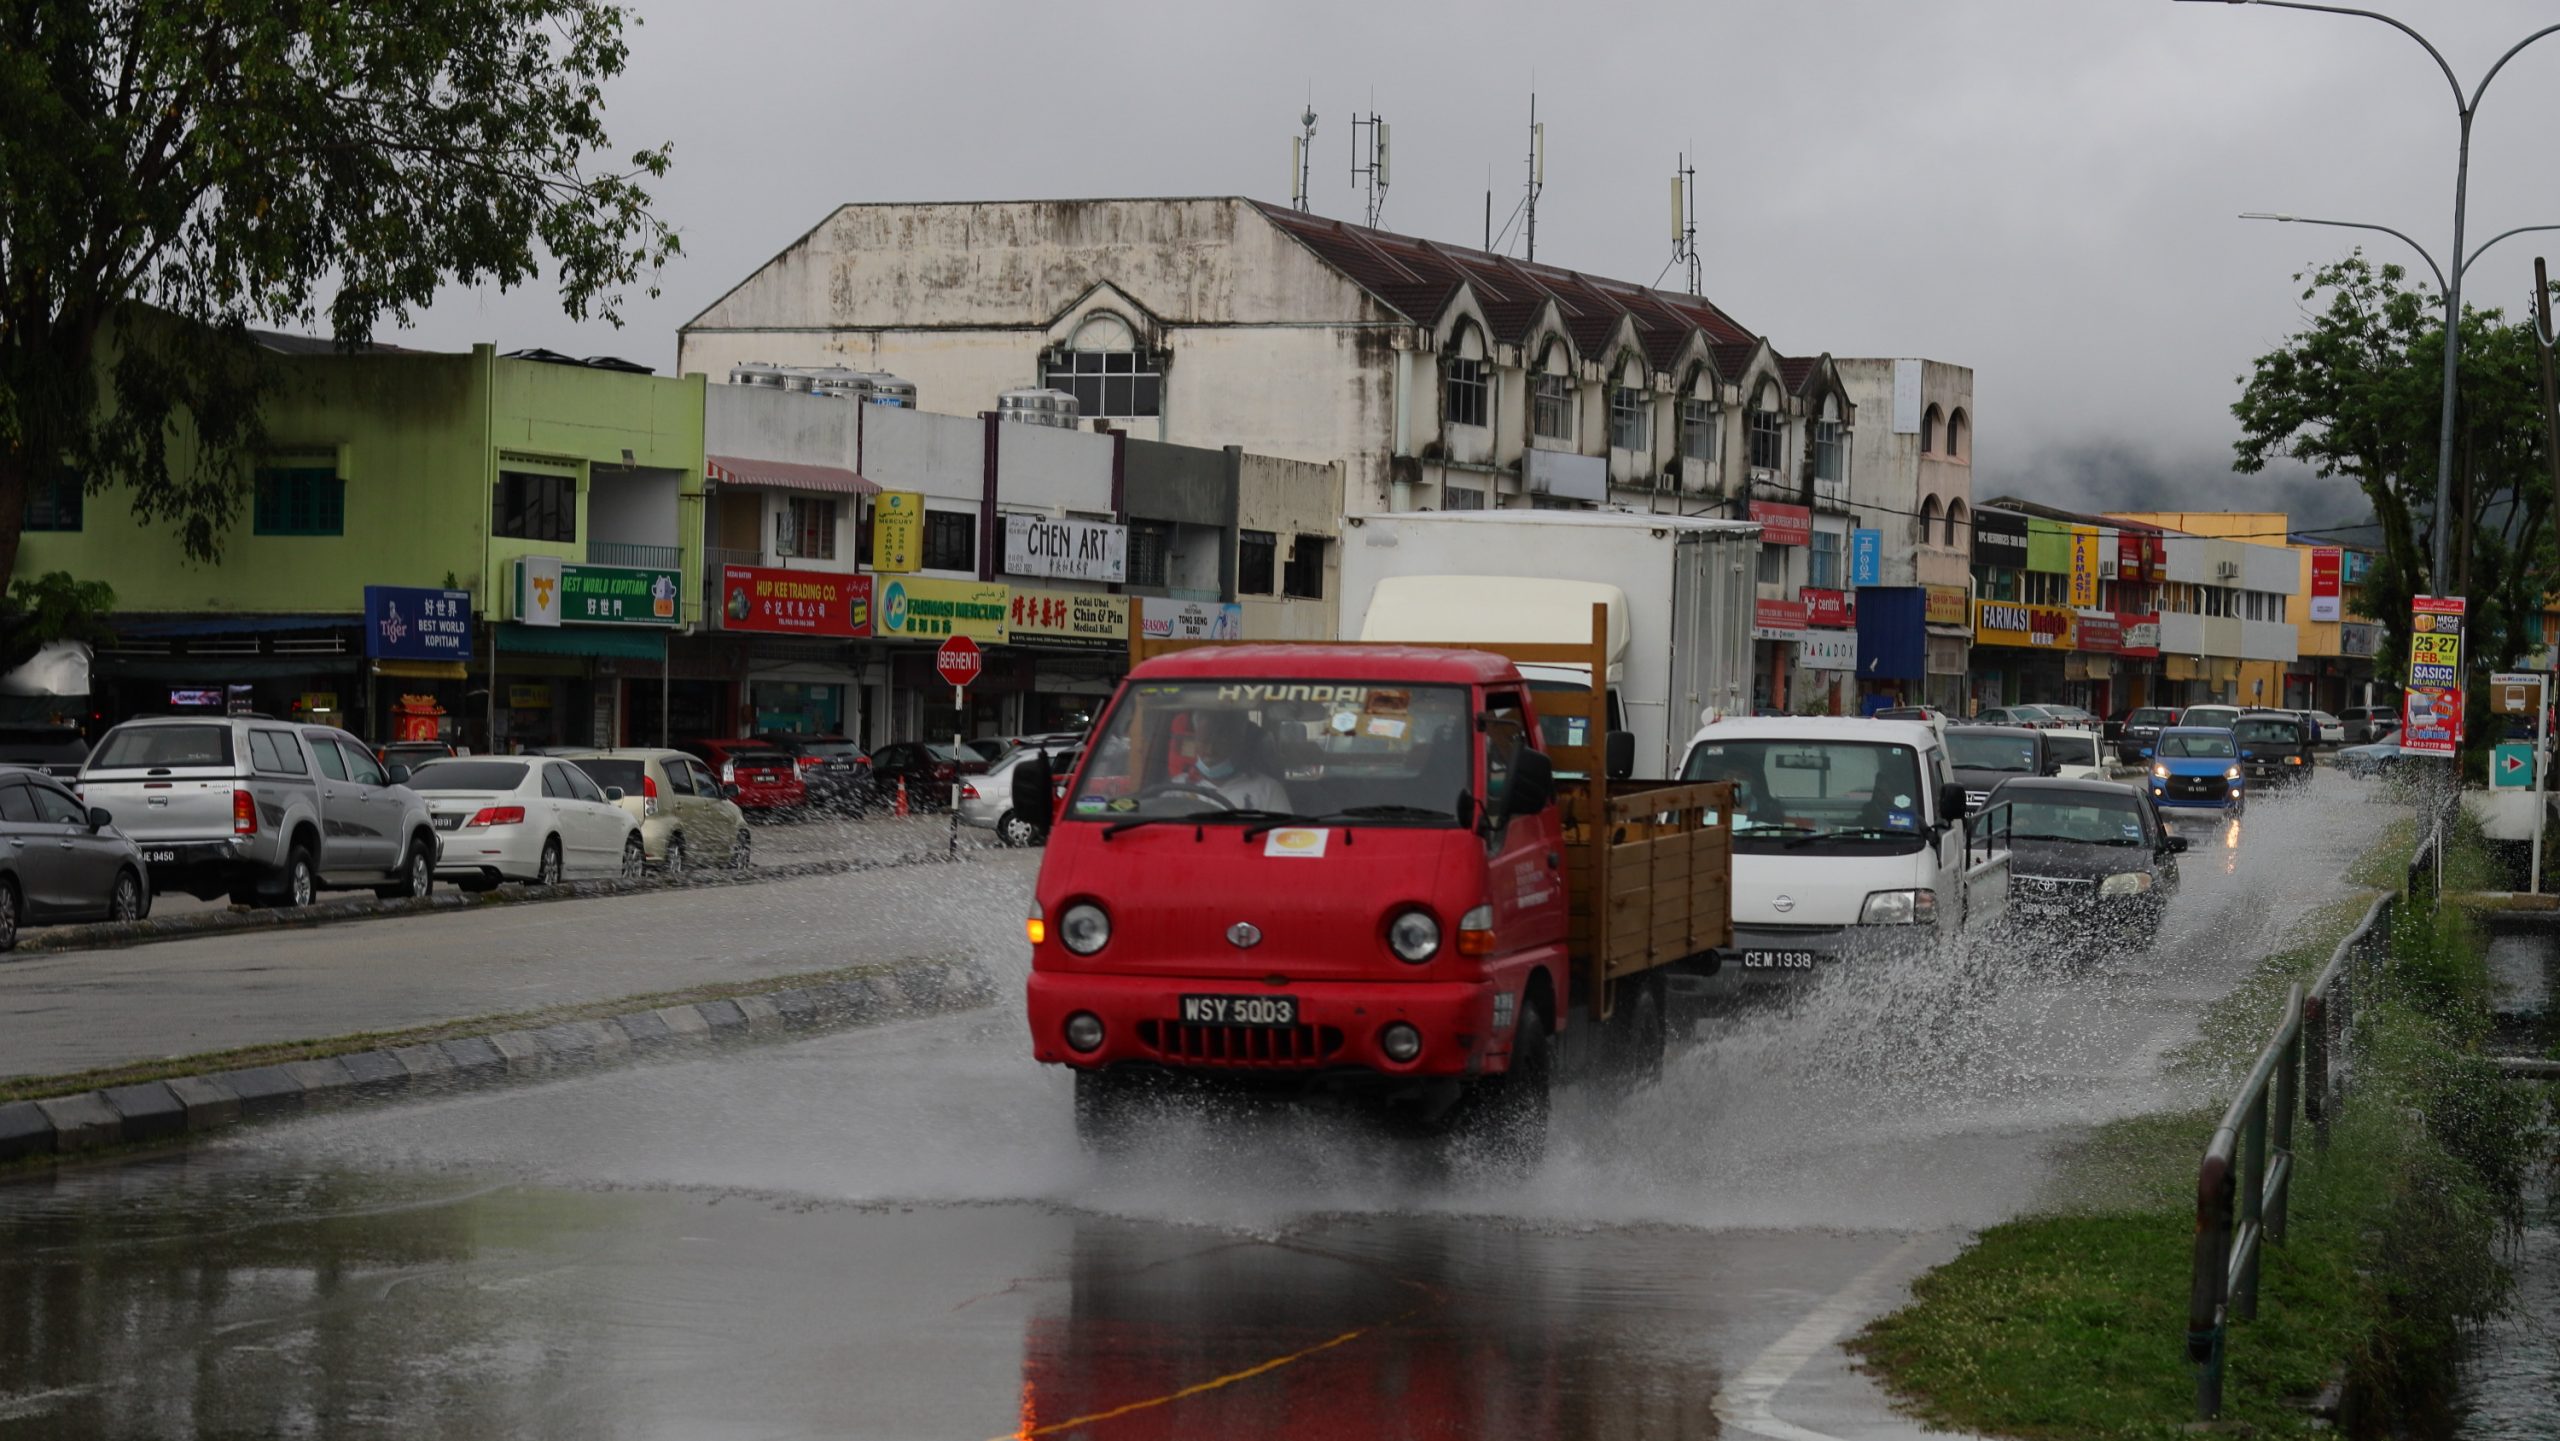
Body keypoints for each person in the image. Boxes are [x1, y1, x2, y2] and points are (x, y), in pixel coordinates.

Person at [1177, 709, 1293, 811]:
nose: (1210, 750)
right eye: (1204, 742)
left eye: (1219, 742)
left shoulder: (1268, 790)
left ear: (1238, 742)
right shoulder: (1178, 786)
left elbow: (1282, 834)